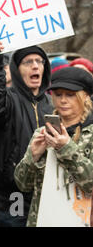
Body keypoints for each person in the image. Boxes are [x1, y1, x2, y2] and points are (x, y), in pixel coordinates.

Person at [0, 37, 53, 227]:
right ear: (17, 70)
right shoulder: (8, 100)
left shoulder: (52, 105)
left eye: (39, 61)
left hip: (47, 193)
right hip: (14, 192)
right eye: (28, 62)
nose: (35, 66)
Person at [14, 67, 93, 226]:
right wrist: (33, 156)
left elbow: (90, 184)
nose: (63, 100)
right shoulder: (43, 132)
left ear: (85, 96)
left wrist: (66, 148)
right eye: (58, 94)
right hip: (43, 219)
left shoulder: (90, 134)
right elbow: (22, 185)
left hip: (79, 220)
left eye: (70, 95)